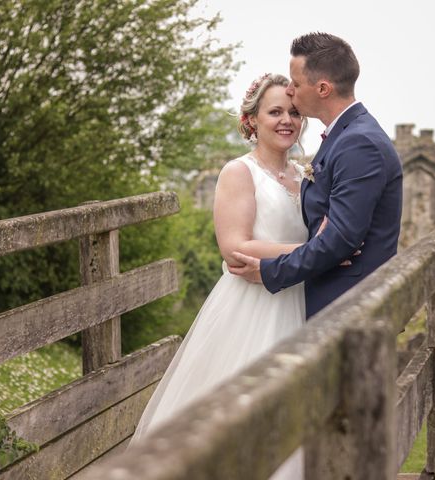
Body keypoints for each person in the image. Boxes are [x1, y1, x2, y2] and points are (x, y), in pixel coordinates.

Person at [129, 73, 307, 479]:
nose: (287, 120)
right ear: (252, 121)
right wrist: (314, 253)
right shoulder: (238, 172)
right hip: (250, 305)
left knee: (291, 414)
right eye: (275, 111)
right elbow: (235, 247)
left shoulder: (304, 175)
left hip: (298, 302)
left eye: (294, 112)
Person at [231, 33, 403, 319]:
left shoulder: (359, 143)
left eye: (296, 83)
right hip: (332, 303)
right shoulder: (347, 135)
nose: (290, 90)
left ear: (322, 88)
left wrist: (268, 271)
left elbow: (341, 242)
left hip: (351, 310)